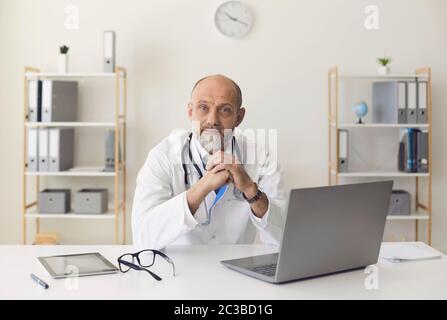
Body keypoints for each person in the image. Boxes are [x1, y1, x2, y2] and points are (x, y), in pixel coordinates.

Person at [132, 74, 286, 250]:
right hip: (178, 271)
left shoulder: (260, 156)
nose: (213, 120)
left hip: (238, 271)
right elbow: (143, 238)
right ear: (191, 112)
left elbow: (282, 237)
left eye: (225, 110)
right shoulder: (163, 156)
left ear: (239, 117)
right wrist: (201, 188)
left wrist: (251, 190)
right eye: (203, 108)